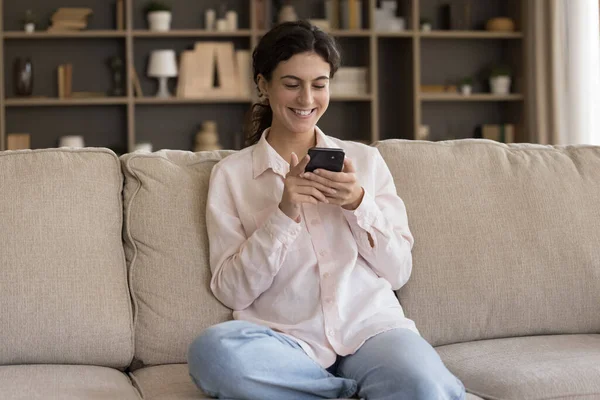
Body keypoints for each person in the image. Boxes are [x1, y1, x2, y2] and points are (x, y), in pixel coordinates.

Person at [187, 20, 466, 400]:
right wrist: (284, 214)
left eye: (319, 85)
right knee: (214, 354)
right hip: (286, 341)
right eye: (291, 84)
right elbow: (232, 292)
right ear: (263, 85)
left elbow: (399, 271)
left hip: (370, 331)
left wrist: (357, 203)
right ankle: (352, 393)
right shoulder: (232, 176)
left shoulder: (366, 162)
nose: (306, 100)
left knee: (424, 386)